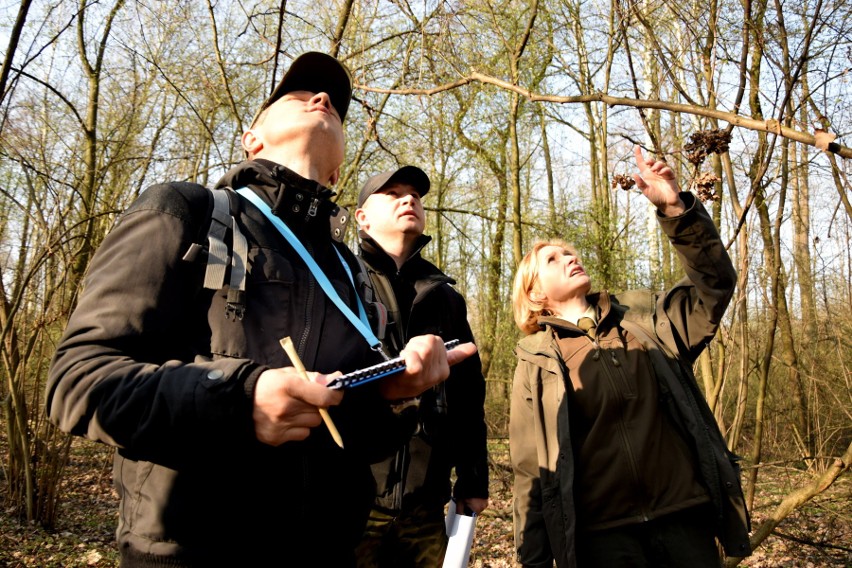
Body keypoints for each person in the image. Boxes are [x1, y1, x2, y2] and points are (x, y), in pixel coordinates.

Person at [45, 52, 476, 568]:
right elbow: (76, 382)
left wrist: (394, 393)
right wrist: (239, 400)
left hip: (328, 550)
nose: (323, 100)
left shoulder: (350, 269)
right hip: (190, 549)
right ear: (252, 139)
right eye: (299, 95)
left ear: (338, 171)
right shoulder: (187, 211)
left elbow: (359, 438)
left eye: (336, 104)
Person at [509, 146, 751, 568]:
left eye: (570, 253)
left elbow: (715, 286)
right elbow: (532, 472)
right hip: (603, 540)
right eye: (553, 259)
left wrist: (676, 208)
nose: (570, 258)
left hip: (684, 521)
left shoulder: (643, 319)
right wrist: (534, 558)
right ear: (534, 294)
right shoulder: (536, 362)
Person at [352, 166, 490, 566]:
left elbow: (468, 396)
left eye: (414, 194)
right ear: (362, 217)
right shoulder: (340, 279)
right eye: (392, 193)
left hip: (426, 502)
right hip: (350, 498)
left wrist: (473, 478)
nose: (408, 199)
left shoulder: (445, 297)